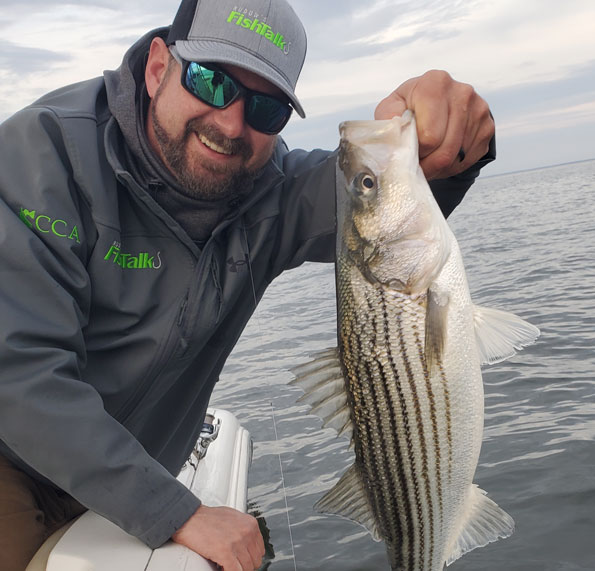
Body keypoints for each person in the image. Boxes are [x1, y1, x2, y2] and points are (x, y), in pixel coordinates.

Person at [0, 0, 496, 569]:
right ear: (158, 66)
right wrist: (176, 512)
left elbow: (378, 208)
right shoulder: (41, 159)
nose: (232, 123)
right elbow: (18, 374)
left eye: (265, 108)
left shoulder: (267, 188)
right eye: (211, 81)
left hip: (137, 473)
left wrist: (451, 144)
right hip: (11, 457)